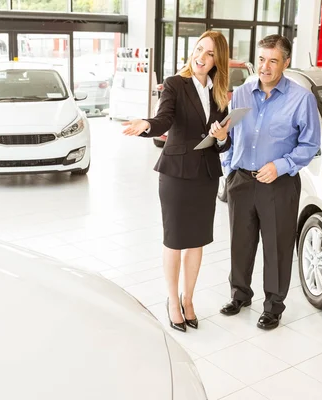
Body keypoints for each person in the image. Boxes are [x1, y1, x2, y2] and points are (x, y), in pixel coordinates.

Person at [122, 31, 232, 332]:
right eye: (199, 50)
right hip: (176, 174)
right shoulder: (175, 84)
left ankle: (189, 298)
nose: (202, 57)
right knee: (174, 240)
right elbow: (164, 119)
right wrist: (147, 125)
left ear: (216, 61)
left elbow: (223, 139)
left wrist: (222, 137)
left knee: (196, 240)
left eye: (210, 53)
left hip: (206, 174)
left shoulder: (219, 92)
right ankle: (172, 300)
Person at [219, 34, 321, 330]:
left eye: (273, 60)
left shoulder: (301, 99)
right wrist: (229, 167)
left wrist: (280, 166)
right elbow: (232, 135)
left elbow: (310, 145)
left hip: (278, 184)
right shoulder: (240, 94)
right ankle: (239, 295)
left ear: (285, 63)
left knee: (276, 247)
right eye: (261, 59)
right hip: (241, 181)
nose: (264, 66)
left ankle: (273, 306)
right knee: (240, 243)